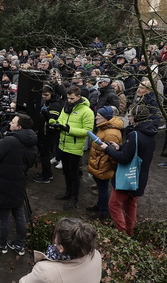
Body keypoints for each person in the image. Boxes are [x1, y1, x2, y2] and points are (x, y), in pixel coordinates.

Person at [96, 104, 157, 236]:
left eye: (130, 115)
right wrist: (120, 146)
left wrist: (108, 149)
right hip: (140, 177)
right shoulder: (150, 133)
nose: (128, 118)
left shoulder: (135, 134)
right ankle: (130, 232)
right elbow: (136, 151)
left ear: (135, 118)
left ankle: (121, 233)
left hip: (128, 178)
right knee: (130, 205)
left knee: (114, 205)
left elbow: (124, 158)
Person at [0, 113, 38, 255]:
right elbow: (31, 161)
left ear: (19, 127)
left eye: (13, 122)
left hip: (3, 182)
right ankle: (19, 244)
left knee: (3, 215)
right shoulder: (32, 141)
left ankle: (1, 243)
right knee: (18, 212)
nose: (10, 123)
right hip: (19, 182)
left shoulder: (9, 141)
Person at [50, 86, 95, 210]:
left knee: (74, 174)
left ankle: (75, 198)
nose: (69, 100)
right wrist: (55, 124)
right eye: (68, 98)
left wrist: (68, 129)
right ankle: (68, 192)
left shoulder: (87, 111)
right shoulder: (66, 107)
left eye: (72, 98)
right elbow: (61, 120)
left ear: (79, 97)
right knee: (66, 172)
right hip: (63, 144)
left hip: (75, 148)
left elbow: (87, 131)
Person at [87, 106, 124, 221]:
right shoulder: (104, 128)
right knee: (100, 188)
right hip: (99, 164)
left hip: (103, 166)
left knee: (103, 190)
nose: (96, 118)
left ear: (105, 118)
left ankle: (103, 213)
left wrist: (111, 168)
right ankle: (99, 206)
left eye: (99, 116)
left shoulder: (110, 133)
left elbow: (112, 154)